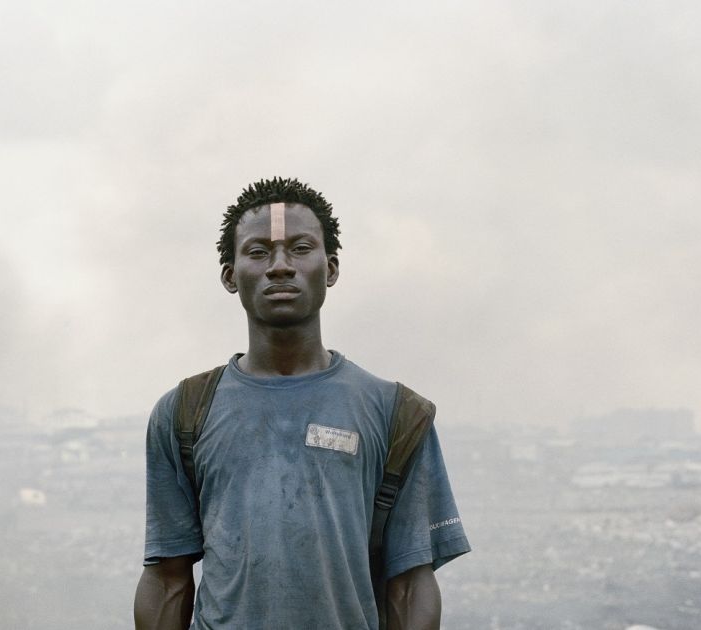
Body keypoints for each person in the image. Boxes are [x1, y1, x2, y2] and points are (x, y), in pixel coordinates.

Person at [134, 177, 469, 629]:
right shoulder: (184, 413)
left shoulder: (397, 413)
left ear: (330, 269)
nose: (280, 266)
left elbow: (409, 582)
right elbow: (167, 578)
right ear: (230, 276)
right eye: (258, 252)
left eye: (300, 248)